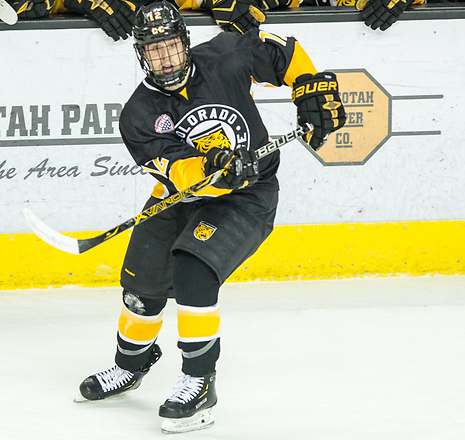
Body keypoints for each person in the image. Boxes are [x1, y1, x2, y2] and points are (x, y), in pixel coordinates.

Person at [76, 1, 345, 434]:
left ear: (185, 41)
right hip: (178, 196)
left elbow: (282, 50)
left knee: (193, 267)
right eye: (154, 50)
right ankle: (131, 365)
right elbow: (177, 172)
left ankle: (200, 380)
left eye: (171, 46)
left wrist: (309, 85)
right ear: (141, 54)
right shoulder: (138, 116)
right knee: (141, 286)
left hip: (247, 197)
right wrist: (212, 168)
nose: (165, 58)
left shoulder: (225, 55)